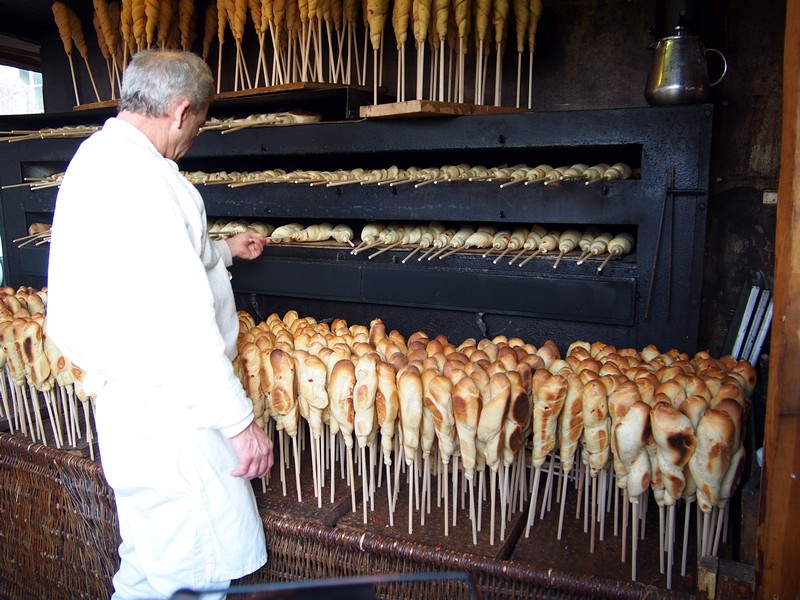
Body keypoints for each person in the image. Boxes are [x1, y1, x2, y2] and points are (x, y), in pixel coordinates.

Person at [46, 49, 274, 600]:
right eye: (198, 122)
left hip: (132, 411)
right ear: (180, 111)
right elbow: (179, 323)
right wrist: (239, 423)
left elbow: (147, 266)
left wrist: (220, 250)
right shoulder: (150, 183)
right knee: (192, 575)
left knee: (150, 562)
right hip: (172, 416)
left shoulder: (95, 159)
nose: (195, 134)